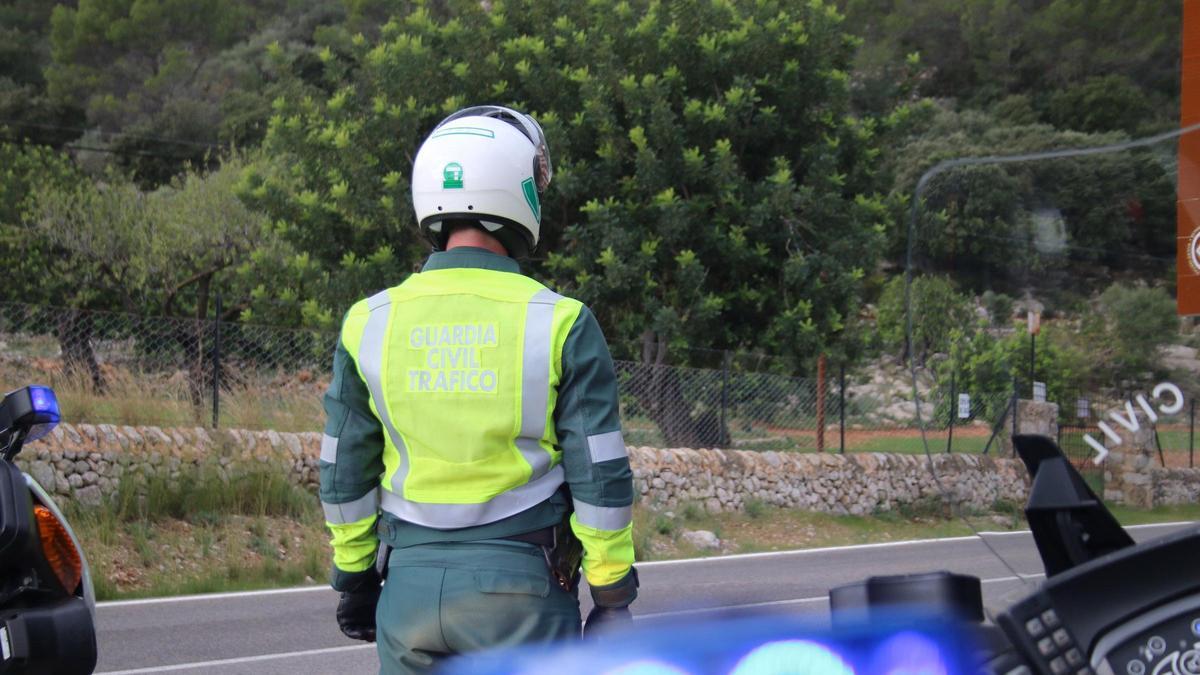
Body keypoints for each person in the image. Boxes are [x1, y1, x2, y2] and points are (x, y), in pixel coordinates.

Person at [319, 105, 638, 674]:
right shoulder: (560, 320)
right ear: (517, 194)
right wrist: (612, 595)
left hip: (409, 594)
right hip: (522, 595)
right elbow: (599, 470)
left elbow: (344, 471)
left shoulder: (369, 321)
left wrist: (354, 579)